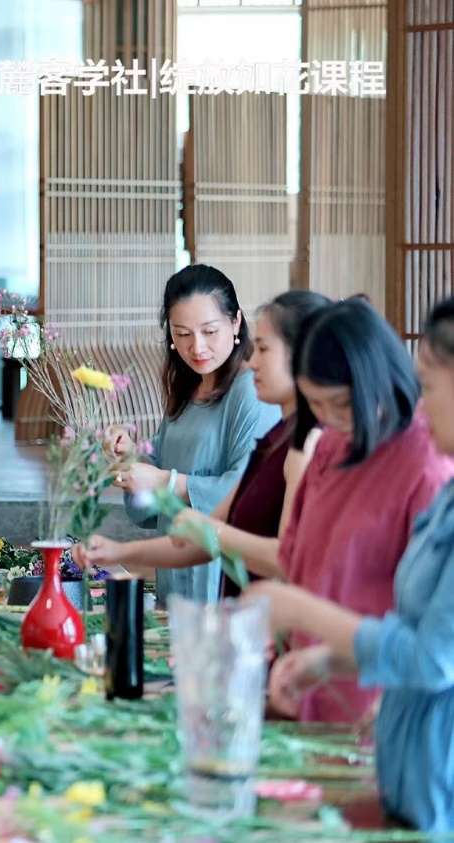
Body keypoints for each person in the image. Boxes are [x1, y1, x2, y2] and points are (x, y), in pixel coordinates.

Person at [250, 297, 454, 832]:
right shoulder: (329, 450)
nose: (422, 406)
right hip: (357, 718)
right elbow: (299, 560)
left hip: (392, 730)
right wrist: (319, 658)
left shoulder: (426, 465)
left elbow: (433, 654)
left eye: (429, 386)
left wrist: (303, 615)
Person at [77, 291, 331, 597]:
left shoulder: (306, 446)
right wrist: (119, 552)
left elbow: (288, 557)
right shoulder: (273, 442)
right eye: (182, 333)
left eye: (263, 349)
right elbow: (201, 541)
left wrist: (180, 497)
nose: (251, 364)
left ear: (303, 355)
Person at [107, 265, 282, 604]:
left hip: (224, 585)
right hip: (174, 584)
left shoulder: (250, 391)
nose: (197, 347)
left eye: (209, 331)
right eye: (182, 334)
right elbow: (149, 510)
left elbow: (247, 493)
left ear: (235, 323)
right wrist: (131, 459)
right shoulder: (186, 393)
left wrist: (164, 482)